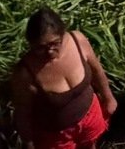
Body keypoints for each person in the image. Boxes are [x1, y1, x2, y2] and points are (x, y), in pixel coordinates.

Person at [11, 8, 116, 149]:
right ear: (31, 45)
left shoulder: (78, 41)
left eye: (54, 43)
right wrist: (29, 144)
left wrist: (108, 97)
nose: (49, 51)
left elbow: (97, 70)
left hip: (91, 116)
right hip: (57, 136)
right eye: (41, 48)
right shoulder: (25, 73)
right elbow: (23, 113)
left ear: (63, 34)